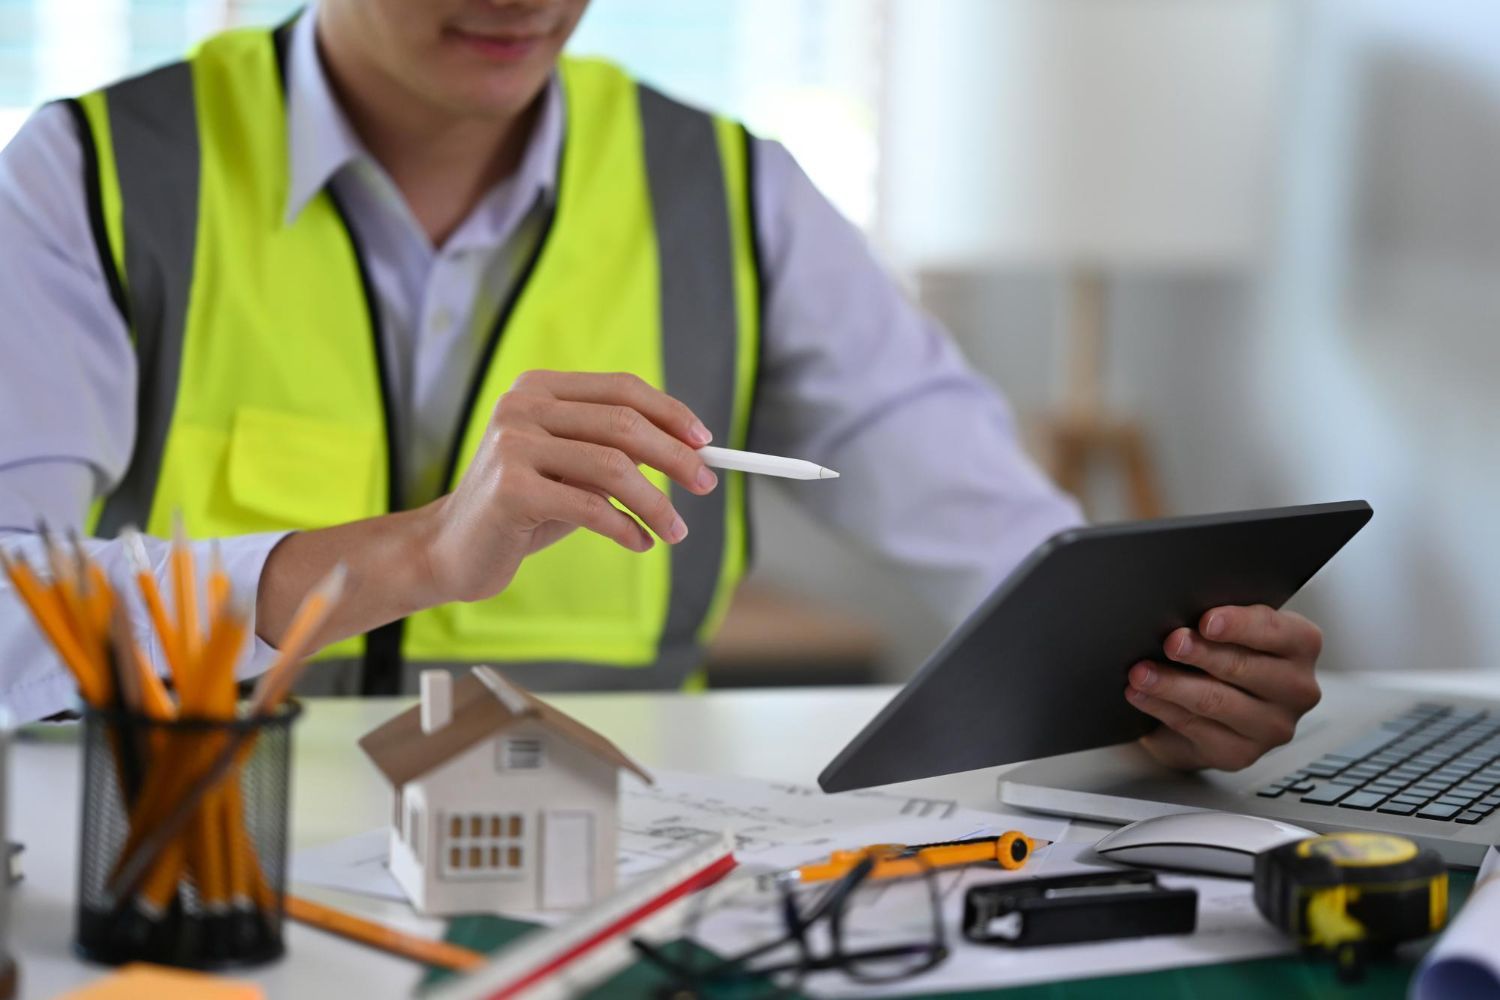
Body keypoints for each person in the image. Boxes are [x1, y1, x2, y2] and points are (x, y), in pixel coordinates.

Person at [0, 0, 1321, 772]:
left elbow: (998, 534)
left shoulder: (736, 192)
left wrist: (1162, 683)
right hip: (191, 872)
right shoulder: (92, 174)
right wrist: (417, 555)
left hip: (604, 896)